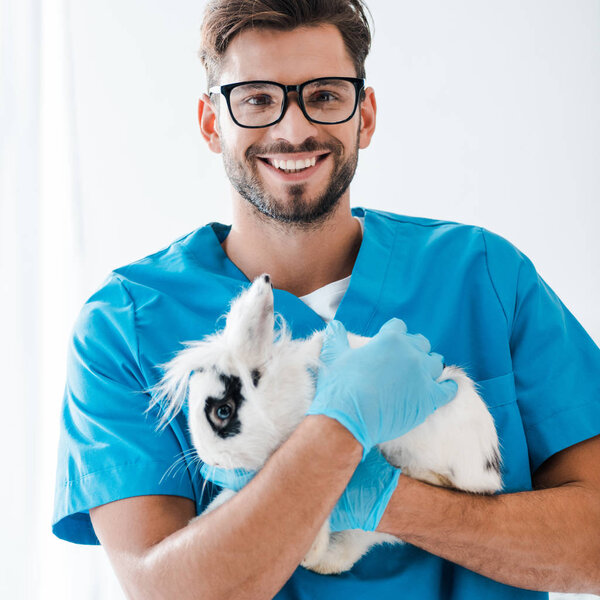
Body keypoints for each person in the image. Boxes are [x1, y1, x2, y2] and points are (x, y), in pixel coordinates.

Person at [52, 1, 600, 598]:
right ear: (212, 123)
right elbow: (170, 592)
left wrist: (389, 500)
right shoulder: (125, 324)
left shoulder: (485, 277)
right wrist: (336, 435)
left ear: (364, 115)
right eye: (257, 99)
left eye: (325, 95)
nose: (292, 130)